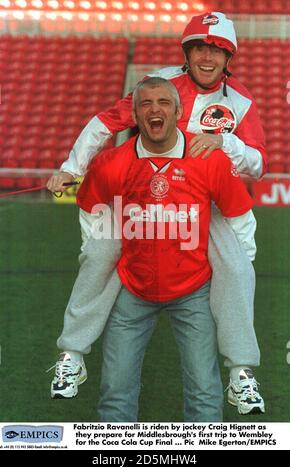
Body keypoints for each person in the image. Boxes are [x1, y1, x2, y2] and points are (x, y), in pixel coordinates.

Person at [47, 12, 266, 415]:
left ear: (228, 57)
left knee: (236, 267)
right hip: (138, 195)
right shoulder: (159, 84)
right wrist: (72, 168)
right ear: (187, 52)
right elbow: (104, 122)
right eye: (199, 47)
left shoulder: (242, 102)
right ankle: (73, 354)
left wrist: (222, 143)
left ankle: (241, 373)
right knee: (97, 255)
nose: (207, 56)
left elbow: (257, 164)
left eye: (217, 50)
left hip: (202, 204)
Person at [76, 76, 257, 422]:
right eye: (146, 104)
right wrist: (95, 254)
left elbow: (240, 216)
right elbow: (91, 208)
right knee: (115, 389)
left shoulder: (209, 158)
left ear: (178, 112)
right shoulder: (112, 162)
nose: (154, 109)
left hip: (193, 288)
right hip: (132, 287)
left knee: (204, 390)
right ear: (135, 115)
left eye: (163, 103)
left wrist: (240, 273)